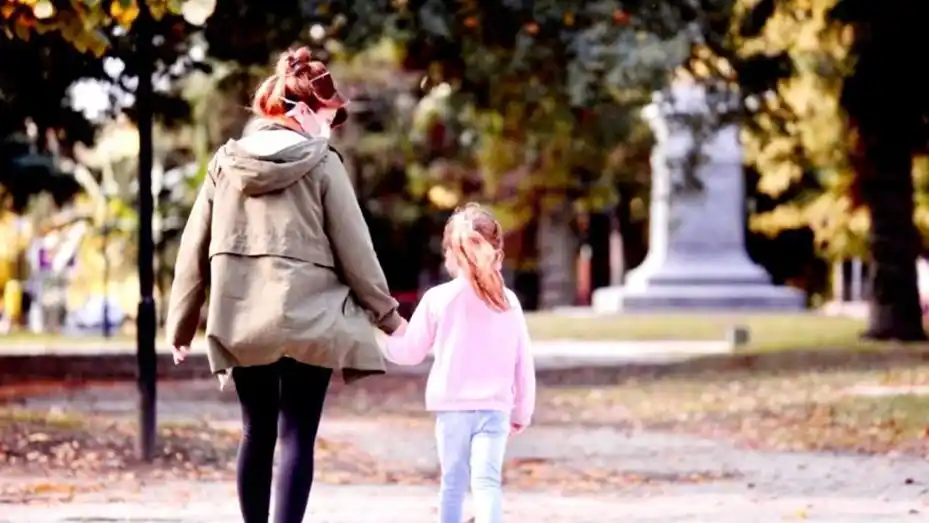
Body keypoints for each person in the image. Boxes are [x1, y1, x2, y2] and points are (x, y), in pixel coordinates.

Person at [165, 47, 403, 523]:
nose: (329, 129)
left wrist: (181, 324)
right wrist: (389, 317)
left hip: (242, 318)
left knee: (256, 431)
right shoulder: (323, 163)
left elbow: (194, 245)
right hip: (311, 318)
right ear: (304, 111)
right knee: (297, 433)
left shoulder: (224, 164)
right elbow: (356, 249)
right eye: (328, 118)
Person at [383, 203, 537, 523]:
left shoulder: (438, 299)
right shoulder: (508, 302)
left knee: (452, 484)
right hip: (495, 409)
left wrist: (379, 339)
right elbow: (523, 362)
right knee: (487, 483)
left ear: (452, 253)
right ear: (495, 250)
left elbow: (409, 352)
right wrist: (522, 411)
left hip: (452, 409)